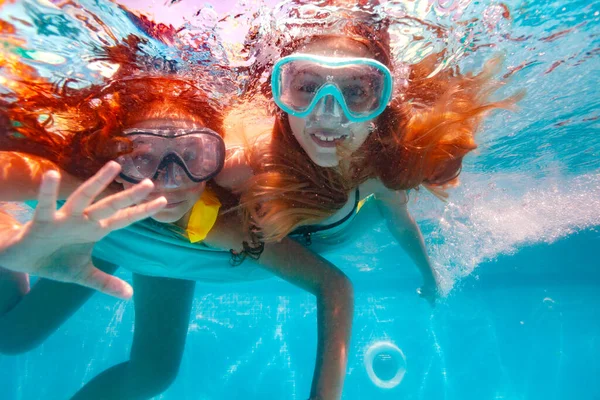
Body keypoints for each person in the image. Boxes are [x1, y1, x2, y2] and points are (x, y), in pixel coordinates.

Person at [0, 34, 352, 400]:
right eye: (142, 154)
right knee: (13, 338)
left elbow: (332, 284)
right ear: (113, 154)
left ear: (214, 161)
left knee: (155, 374)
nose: (169, 181)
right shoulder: (84, 181)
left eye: (193, 155)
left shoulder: (215, 222)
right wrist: (8, 241)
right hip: (90, 233)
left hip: (165, 250)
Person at [221, 0, 518, 303]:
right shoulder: (244, 162)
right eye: (308, 88)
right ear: (280, 94)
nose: (329, 116)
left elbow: (400, 222)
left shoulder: (375, 168)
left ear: (381, 103)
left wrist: (430, 275)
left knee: (383, 204)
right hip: (293, 241)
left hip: (337, 236)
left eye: (354, 92)